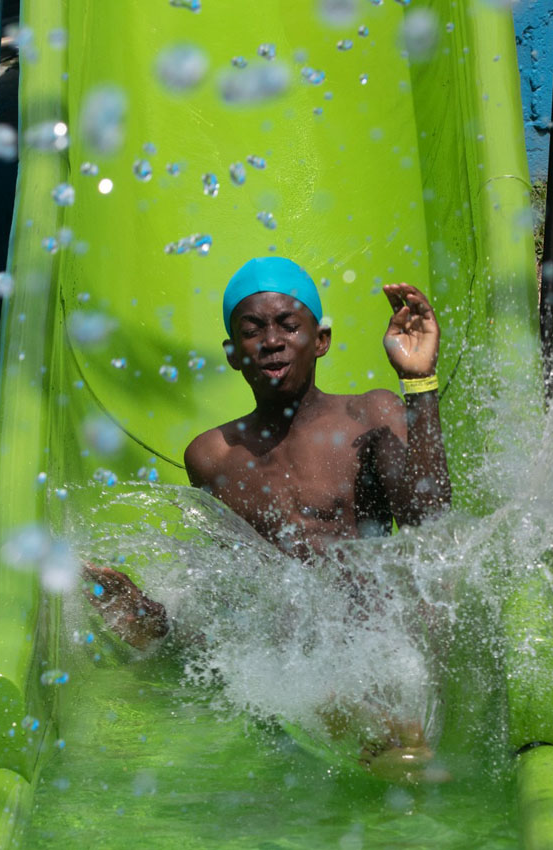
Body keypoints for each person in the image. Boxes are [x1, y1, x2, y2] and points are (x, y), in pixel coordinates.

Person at [83, 256, 452, 781]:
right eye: (252, 330)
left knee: (386, 716)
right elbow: (232, 592)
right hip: (297, 666)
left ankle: (386, 733)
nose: (272, 341)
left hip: (378, 646)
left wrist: (420, 384)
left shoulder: (369, 414)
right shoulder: (213, 456)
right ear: (234, 354)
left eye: (288, 325)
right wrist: (154, 619)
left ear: (320, 341)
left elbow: (430, 522)